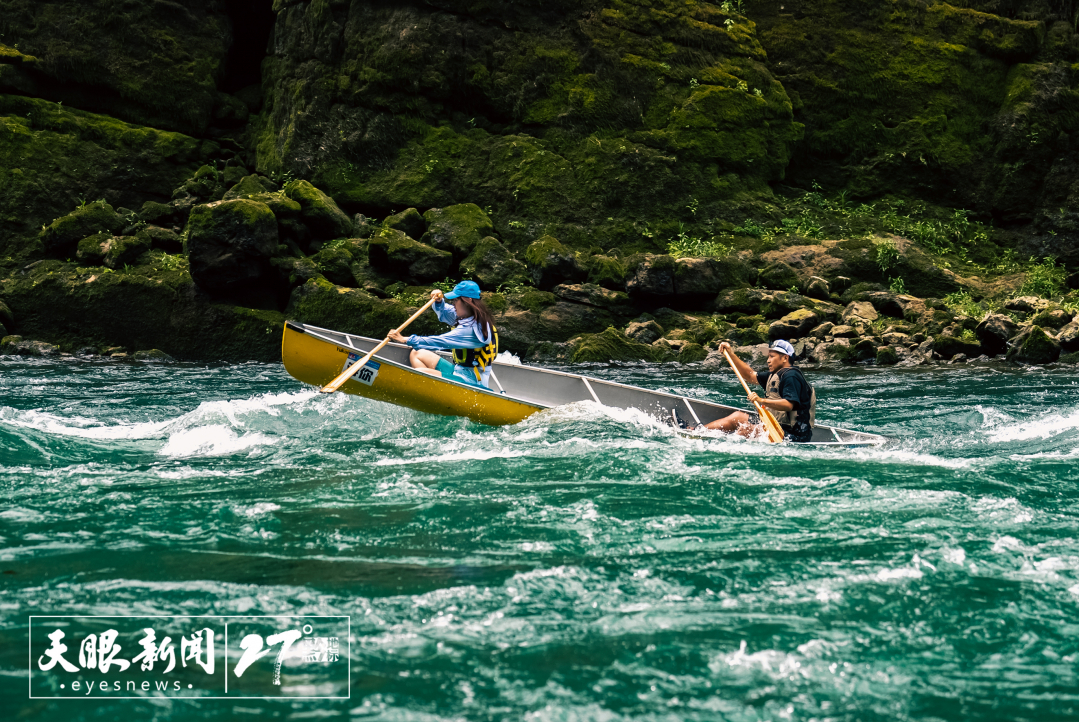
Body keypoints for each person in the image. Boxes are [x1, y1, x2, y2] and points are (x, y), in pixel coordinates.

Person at [687, 339, 816, 442]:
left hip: (794, 435)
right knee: (737, 417)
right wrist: (731, 355)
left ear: (785, 358)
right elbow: (749, 375)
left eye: (772, 356)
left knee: (745, 429)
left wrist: (761, 400)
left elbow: (789, 404)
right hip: (775, 425)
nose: (768, 360)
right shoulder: (775, 374)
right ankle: (697, 431)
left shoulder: (791, 376)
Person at [387, 280, 499, 389]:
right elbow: (446, 311)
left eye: (455, 300)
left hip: (471, 382)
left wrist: (405, 339)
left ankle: (429, 391)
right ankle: (432, 391)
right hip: (458, 371)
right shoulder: (470, 317)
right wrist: (439, 301)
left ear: (467, 301)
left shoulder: (472, 330)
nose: (453, 303)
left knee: (419, 374)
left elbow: (440, 341)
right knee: (417, 353)